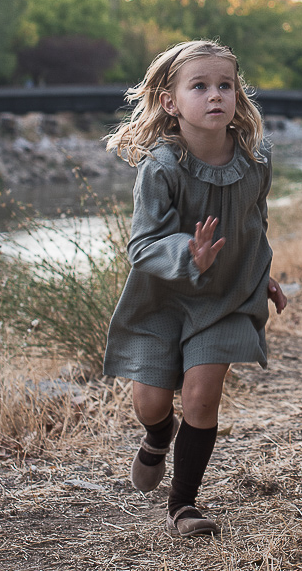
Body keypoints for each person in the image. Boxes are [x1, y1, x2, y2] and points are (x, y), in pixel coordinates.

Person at [103, 40, 288, 537]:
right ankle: (158, 435)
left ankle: (182, 504)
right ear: (170, 102)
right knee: (151, 402)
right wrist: (189, 252)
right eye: (200, 86)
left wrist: (260, 273)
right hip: (163, 297)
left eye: (225, 85)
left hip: (226, 296)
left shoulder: (256, 159)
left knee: (202, 395)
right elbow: (142, 245)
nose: (216, 95)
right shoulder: (160, 167)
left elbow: (254, 225)